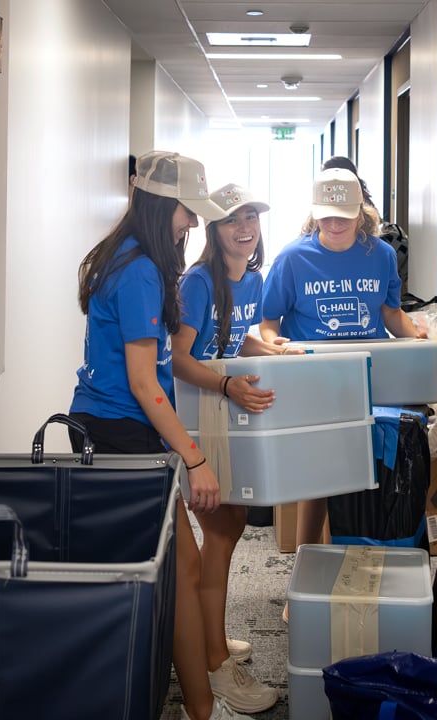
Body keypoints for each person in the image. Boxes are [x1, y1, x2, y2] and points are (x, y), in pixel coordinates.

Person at [69, 152, 277, 720]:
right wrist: (193, 458)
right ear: (164, 206)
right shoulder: (137, 269)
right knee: (182, 567)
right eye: (189, 212)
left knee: (181, 569)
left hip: (122, 428)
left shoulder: (139, 260)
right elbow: (143, 380)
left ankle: (199, 701)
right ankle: (203, 706)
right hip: (114, 429)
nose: (192, 225)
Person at [260, 167, 426, 574]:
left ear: (360, 213)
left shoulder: (381, 255)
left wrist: (415, 335)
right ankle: (307, 571)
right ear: (314, 214)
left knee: (361, 474)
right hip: (314, 380)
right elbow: (268, 322)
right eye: (326, 215)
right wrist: (274, 345)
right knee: (318, 481)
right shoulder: (292, 258)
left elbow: (390, 313)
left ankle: (355, 571)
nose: (334, 224)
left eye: (344, 216)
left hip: (367, 378)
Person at [174, 183, 297, 687]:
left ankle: (212, 637)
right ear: (214, 228)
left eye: (251, 218)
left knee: (230, 528)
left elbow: (234, 333)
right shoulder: (198, 282)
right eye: (232, 220)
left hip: (226, 415)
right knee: (222, 534)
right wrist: (227, 384)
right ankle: (212, 660)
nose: (244, 228)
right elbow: (180, 359)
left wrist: (272, 351)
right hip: (200, 415)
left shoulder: (251, 278)